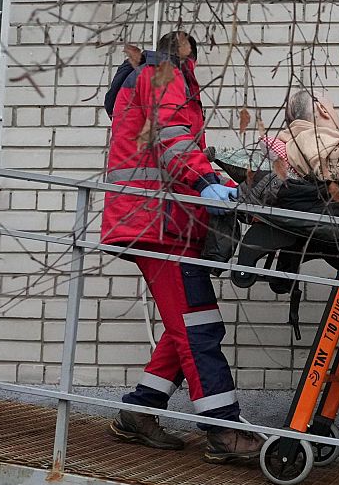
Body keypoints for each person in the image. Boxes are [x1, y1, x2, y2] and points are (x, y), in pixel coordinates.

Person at [101, 30, 263, 462]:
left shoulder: (152, 78)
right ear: (187, 56)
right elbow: (172, 141)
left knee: (190, 325)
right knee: (198, 330)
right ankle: (223, 431)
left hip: (157, 223)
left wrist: (225, 182)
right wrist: (208, 182)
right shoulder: (166, 75)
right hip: (158, 225)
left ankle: (139, 411)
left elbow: (178, 148)